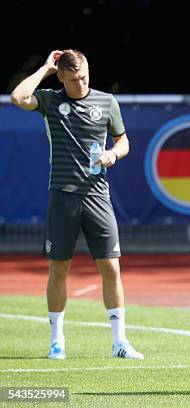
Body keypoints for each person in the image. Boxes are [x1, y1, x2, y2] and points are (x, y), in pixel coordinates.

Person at [10, 49, 143, 360]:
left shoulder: (106, 101)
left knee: (111, 267)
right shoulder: (51, 101)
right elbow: (18, 97)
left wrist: (113, 154)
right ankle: (57, 341)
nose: (81, 83)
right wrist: (44, 68)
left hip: (98, 195)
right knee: (59, 269)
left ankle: (119, 342)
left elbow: (123, 140)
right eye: (74, 79)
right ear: (61, 77)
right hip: (63, 195)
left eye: (84, 76)